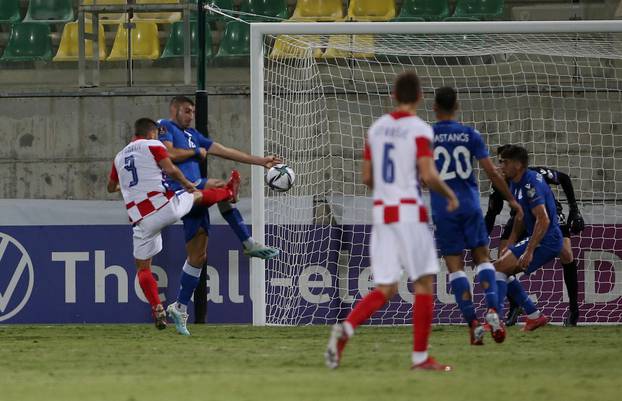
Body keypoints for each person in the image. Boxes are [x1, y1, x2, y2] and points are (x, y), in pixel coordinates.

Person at [325, 72, 459, 371]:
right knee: (424, 282)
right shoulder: (420, 129)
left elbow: (368, 178)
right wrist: (449, 194)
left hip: (383, 214)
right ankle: (420, 358)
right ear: (421, 97)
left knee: (385, 287)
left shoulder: (377, 129)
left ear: (393, 95)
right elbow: (427, 175)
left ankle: (345, 330)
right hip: (409, 213)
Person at [158, 96, 281, 335]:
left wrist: (260, 161)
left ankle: (179, 306)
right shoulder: (165, 125)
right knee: (218, 186)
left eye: (193, 111)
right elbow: (168, 154)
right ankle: (248, 242)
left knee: (198, 255)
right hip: (180, 190)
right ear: (174, 110)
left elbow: (225, 151)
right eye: (186, 110)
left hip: (195, 194)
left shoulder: (193, 134)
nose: (191, 115)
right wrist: (196, 152)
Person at [106, 118, 240, 330]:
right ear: (152, 133)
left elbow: (111, 187)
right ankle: (228, 192)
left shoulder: (119, 157)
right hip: (163, 207)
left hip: (141, 221)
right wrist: (188, 185)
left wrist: (130, 187)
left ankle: (157, 308)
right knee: (196, 196)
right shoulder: (153, 145)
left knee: (143, 269)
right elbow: (171, 170)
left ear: (134, 135)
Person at [430, 87, 523, 345]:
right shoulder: (471, 134)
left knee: (455, 267)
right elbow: (493, 173)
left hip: (443, 208)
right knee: (482, 258)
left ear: (435, 108)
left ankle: (473, 324)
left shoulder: (427, 136)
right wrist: (512, 200)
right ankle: (493, 311)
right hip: (470, 205)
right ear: (457, 106)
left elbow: (423, 177)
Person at [486, 145, 585, 327]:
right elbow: (497, 214)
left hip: (548, 218)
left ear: (516, 164)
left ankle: (573, 309)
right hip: (526, 219)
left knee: (566, 254)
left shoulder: (532, 178)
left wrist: (575, 210)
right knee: (501, 262)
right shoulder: (506, 182)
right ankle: (522, 310)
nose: (499, 166)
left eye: (503, 162)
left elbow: (562, 179)